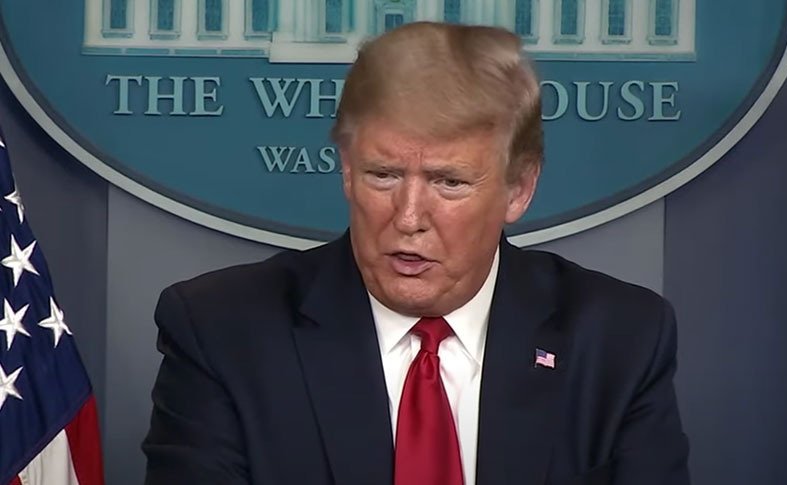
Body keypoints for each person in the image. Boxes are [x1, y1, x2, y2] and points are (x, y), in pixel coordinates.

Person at [142, 21, 690, 485]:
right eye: (383, 175)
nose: (407, 218)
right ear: (347, 171)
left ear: (519, 188)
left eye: (448, 183)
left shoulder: (619, 339)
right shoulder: (222, 331)